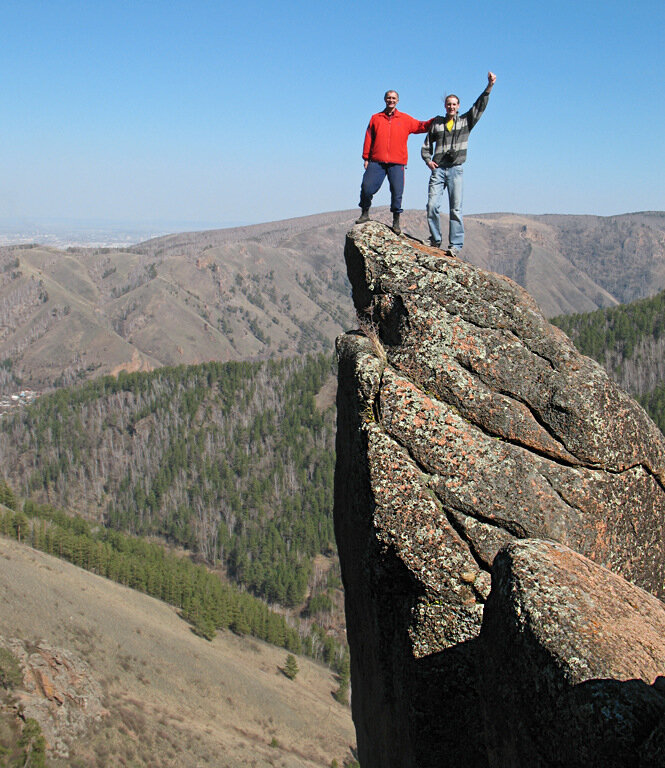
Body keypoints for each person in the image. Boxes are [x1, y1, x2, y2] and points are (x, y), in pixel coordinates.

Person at [422, 71, 496, 256]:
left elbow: (479, 107)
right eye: (449, 104)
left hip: (456, 169)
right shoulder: (437, 123)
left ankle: (455, 245)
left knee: (455, 208)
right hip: (438, 170)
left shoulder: (465, 122)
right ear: (445, 106)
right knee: (432, 205)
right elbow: (426, 145)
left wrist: (489, 86)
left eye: (454, 104)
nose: (451, 107)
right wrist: (428, 161)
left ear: (458, 106)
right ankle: (435, 239)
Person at [356, 91, 432, 235]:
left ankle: (396, 221)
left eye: (394, 98)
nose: (391, 100)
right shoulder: (375, 118)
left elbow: (421, 126)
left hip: (397, 163)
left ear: (397, 101)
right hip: (377, 161)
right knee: (366, 187)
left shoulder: (405, 119)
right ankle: (365, 213)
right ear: (385, 99)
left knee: (397, 192)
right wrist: (366, 157)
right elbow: (369, 137)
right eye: (389, 98)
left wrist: (436, 121)